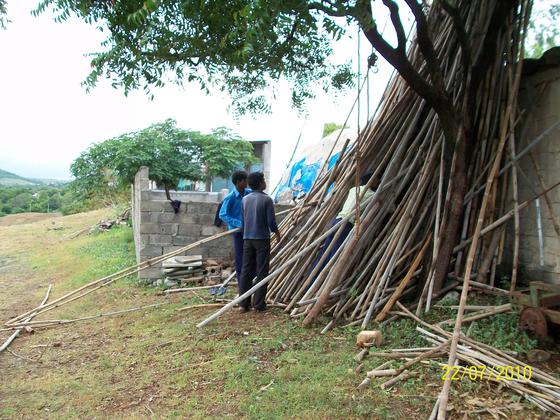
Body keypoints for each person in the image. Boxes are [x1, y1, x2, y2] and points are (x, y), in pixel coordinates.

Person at [313, 172, 378, 273]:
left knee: (324, 254)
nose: (379, 181)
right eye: (377, 179)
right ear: (372, 180)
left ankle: (311, 279)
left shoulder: (353, 190)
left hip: (336, 221)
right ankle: (326, 277)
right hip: (346, 225)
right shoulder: (373, 194)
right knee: (334, 256)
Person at [238, 172, 280, 312]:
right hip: (262, 239)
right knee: (262, 271)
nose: (265, 182)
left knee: (246, 270)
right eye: (263, 180)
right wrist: (277, 233)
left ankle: (244, 303)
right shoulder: (267, 200)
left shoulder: (245, 199)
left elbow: (243, 222)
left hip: (247, 239)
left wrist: (246, 234)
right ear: (260, 183)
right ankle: (258, 304)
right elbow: (271, 222)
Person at [219, 170, 251, 282]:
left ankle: (249, 279)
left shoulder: (249, 193)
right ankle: (241, 281)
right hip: (237, 231)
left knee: (250, 255)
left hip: (249, 230)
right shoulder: (230, 197)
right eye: (244, 180)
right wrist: (239, 223)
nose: (247, 182)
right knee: (240, 256)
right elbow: (222, 214)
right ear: (238, 182)